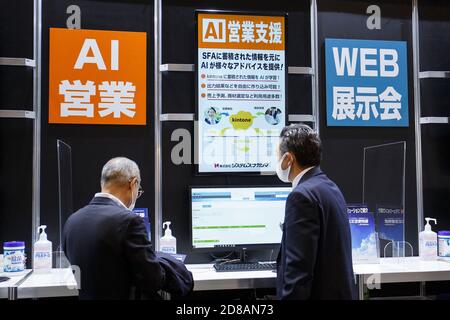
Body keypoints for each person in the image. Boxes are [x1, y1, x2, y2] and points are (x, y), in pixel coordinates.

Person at [63, 157, 193, 300]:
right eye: (139, 190)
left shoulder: (72, 221)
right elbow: (153, 280)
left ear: (103, 182)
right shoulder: (129, 221)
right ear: (133, 183)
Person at [275, 124, 356, 300]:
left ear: (288, 159)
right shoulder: (329, 187)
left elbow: (299, 270)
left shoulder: (301, 196)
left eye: (278, 155)